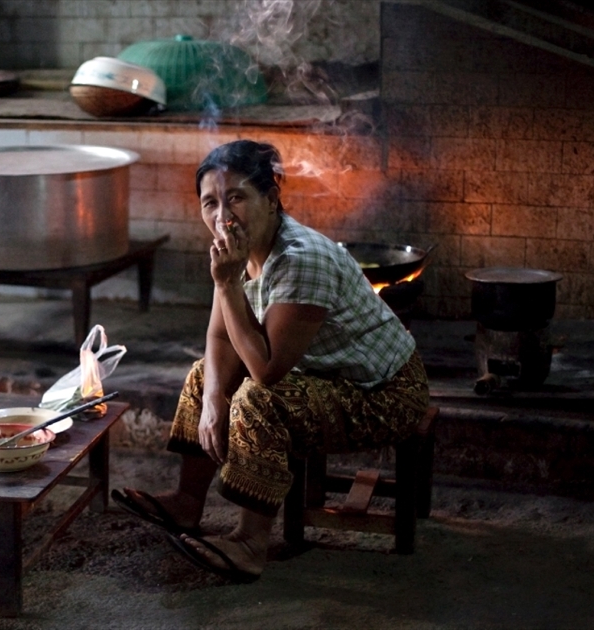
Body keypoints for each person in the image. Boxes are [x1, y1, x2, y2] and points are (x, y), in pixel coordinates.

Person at [112, 140, 430, 583]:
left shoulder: (301, 260)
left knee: (259, 399)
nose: (222, 215)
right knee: (207, 373)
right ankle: (187, 502)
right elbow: (220, 335)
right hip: (321, 372)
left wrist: (226, 286)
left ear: (271, 198)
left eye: (236, 197)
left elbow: (266, 371)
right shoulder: (237, 251)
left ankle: (248, 542)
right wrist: (211, 399)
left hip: (383, 391)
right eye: (210, 202)